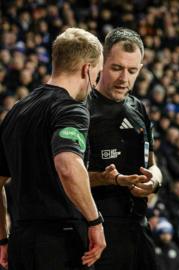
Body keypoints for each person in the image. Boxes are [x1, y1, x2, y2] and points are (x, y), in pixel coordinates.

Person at [0, 27, 106, 269]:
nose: (94, 84)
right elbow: (67, 165)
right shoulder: (71, 109)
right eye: (98, 75)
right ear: (86, 69)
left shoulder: (16, 111)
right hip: (61, 241)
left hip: (22, 240)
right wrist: (95, 221)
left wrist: (2, 238)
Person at [85, 28, 162, 270]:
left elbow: (152, 162)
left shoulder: (138, 107)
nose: (124, 79)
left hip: (138, 225)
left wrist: (155, 181)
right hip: (98, 229)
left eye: (132, 71)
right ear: (100, 63)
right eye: (116, 68)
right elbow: (65, 177)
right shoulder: (82, 109)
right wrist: (109, 179)